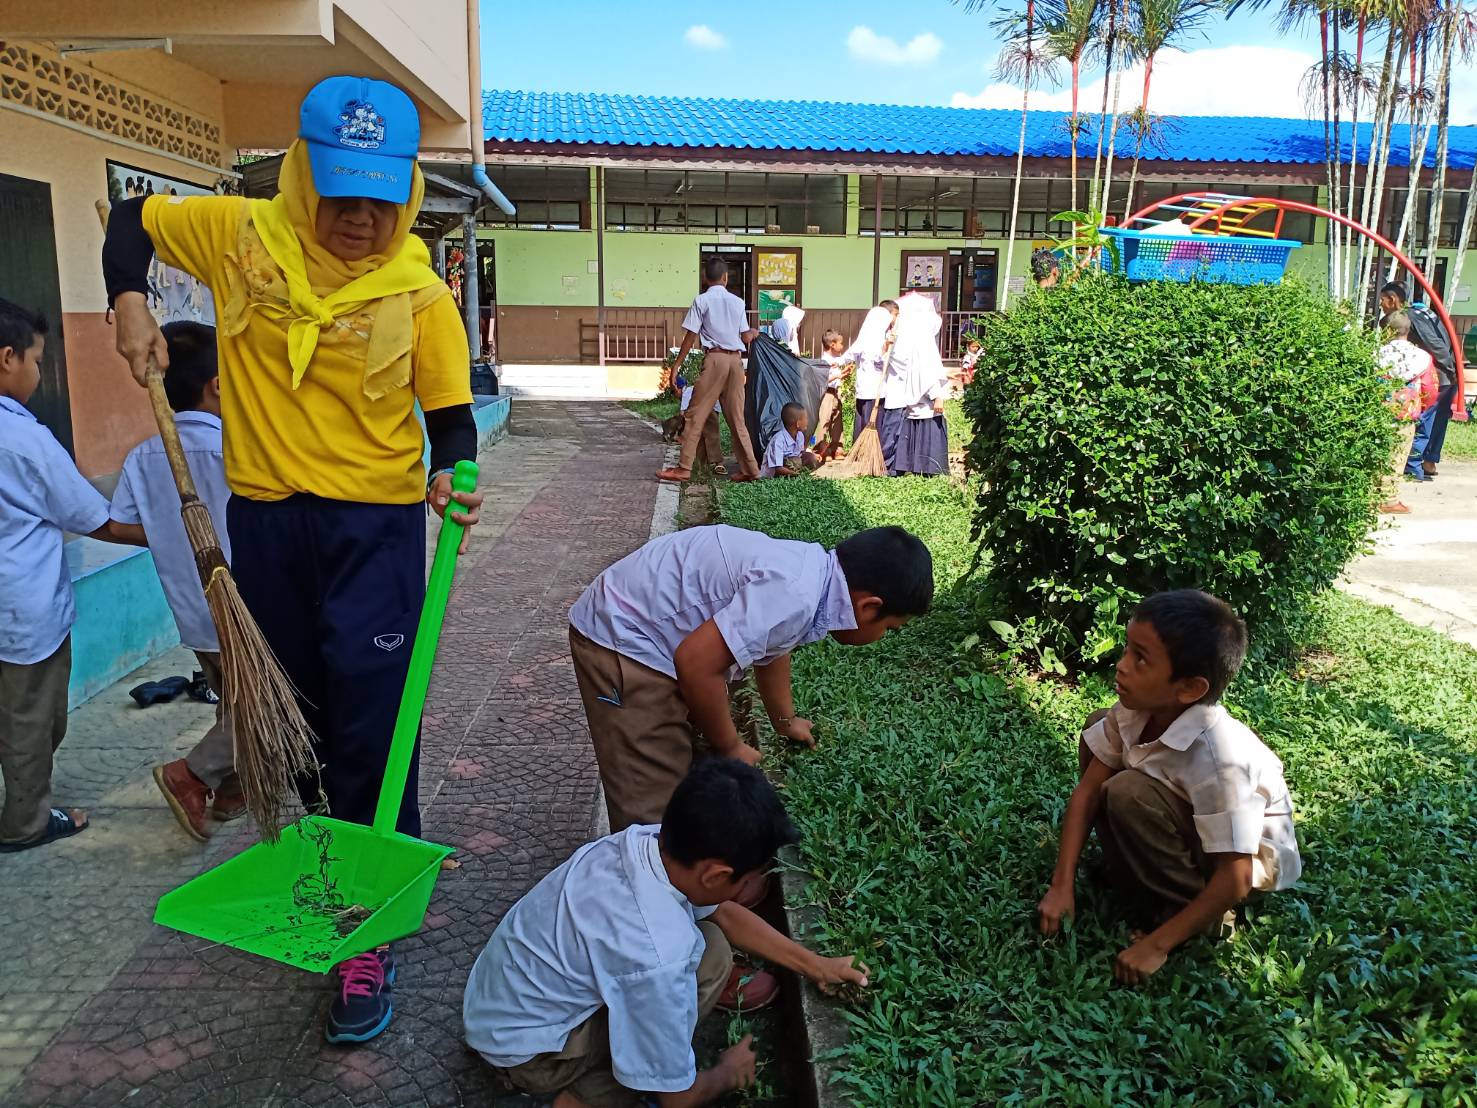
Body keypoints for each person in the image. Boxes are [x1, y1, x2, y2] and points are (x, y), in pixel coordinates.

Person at [102, 75, 484, 1044]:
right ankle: (325, 872)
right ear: (305, 174)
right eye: (341, 194)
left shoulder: (417, 294)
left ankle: (370, 930)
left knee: (375, 728)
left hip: (375, 533)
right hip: (268, 527)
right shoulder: (242, 235)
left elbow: (450, 422)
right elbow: (130, 220)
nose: (360, 218)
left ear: (405, 192)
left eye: (379, 199)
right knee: (296, 723)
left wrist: (454, 471)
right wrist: (128, 305)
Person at [463, 760, 870, 1108]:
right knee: (692, 980)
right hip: (530, 1055)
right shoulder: (658, 951)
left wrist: (816, 965)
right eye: (747, 879)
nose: (749, 889)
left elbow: (726, 915)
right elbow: (677, 1099)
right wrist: (726, 1073)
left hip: (495, 1006)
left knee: (711, 946)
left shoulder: (640, 844)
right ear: (716, 874)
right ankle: (582, 1099)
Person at [567, 524, 933, 833]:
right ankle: (641, 881)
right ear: (869, 607)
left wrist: (785, 720)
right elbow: (696, 665)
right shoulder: (795, 595)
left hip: (653, 630)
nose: (884, 636)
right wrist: (730, 746)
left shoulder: (810, 574)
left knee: (688, 762)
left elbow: (772, 647)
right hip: (622, 637)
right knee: (651, 798)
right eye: (890, 628)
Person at [1036, 590, 1302, 986]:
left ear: (1190, 689)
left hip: (1239, 865)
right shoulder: (1135, 710)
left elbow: (1237, 875)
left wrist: (1157, 945)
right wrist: (1061, 886)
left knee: (1128, 792)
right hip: (1195, 826)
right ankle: (1129, 872)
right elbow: (1088, 791)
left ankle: (1195, 914)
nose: (1122, 666)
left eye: (1140, 659)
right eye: (1127, 649)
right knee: (1098, 730)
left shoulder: (1218, 759)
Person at [0, 299, 135, 852]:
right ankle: (25, 822)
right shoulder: (23, 439)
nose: (38, 373)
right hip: (20, 612)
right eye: (36, 361)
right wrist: (164, 535)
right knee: (31, 721)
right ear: (7, 359)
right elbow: (95, 519)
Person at [107, 322, 244, 837]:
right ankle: (192, 774)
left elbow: (121, 525)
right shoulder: (238, 448)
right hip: (247, 608)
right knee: (263, 705)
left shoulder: (144, 456)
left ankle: (232, 790)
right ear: (219, 385)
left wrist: (169, 534)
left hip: (192, 611)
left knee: (233, 701)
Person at [656, 257, 761, 484]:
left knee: (695, 416)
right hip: (736, 363)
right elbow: (745, 337)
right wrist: (754, 332)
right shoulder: (738, 302)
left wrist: (677, 365)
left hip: (714, 360)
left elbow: (691, 335)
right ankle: (751, 469)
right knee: (737, 420)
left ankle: (684, 468)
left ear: (705, 278)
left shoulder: (701, 300)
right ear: (725, 278)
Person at [1379, 281, 1457, 480]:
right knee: (1436, 422)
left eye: (1382, 301)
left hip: (1436, 375)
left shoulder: (1410, 316)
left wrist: (1451, 371)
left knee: (1423, 422)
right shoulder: (1423, 312)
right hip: (1443, 373)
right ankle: (1428, 463)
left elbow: (1436, 344)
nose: (1381, 306)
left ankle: (1414, 467)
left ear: (1392, 300)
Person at [884, 292, 949, 477]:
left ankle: (904, 464)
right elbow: (930, 368)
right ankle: (927, 467)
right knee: (926, 421)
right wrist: (937, 395)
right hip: (925, 397)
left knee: (912, 422)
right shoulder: (923, 338)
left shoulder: (900, 338)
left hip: (904, 397)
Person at [1376, 312, 1433, 515]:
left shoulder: (1376, 354)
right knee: (1397, 455)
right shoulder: (1422, 357)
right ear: (1408, 330)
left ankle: (1371, 496)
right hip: (1405, 413)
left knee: (1376, 453)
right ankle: (1388, 500)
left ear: (1386, 331)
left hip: (1378, 411)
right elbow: (1429, 388)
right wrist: (1423, 407)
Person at [845, 300, 898, 442]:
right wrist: (886, 347)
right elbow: (878, 361)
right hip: (874, 389)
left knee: (863, 422)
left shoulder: (865, 336)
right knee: (872, 423)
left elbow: (849, 355)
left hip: (864, 388)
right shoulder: (876, 338)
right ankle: (867, 450)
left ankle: (860, 449)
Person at [759, 402, 819, 478]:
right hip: (774, 474)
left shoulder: (800, 435)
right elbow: (778, 468)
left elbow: (801, 454)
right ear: (798, 423)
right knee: (796, 461)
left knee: (811, 458)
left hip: (792, 467)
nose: (807, 421)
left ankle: (800, 475)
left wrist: (811, 456)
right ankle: (795, 477)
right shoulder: (778, 440)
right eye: (805, 418)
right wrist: (798, 475)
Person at [816, 329, 850, 461]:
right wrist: (838, 375)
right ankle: (823, 448)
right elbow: (823, 380)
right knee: (825, 420)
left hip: (836, 392)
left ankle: (837, 447)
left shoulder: (837, 360)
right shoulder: (824, 361)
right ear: (832, 345)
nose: (842, 346)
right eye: (841, 343)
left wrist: (843, 374)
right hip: (827, 393)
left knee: (837, 420)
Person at [677, 381, 724, 474]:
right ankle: (707, 463)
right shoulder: (690, 390)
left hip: (707, 412)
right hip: (698, 413)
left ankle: (712, 462)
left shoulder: (689, 391)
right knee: (705, 437)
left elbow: (682, 413)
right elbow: (683, 412)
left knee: (710, 435)